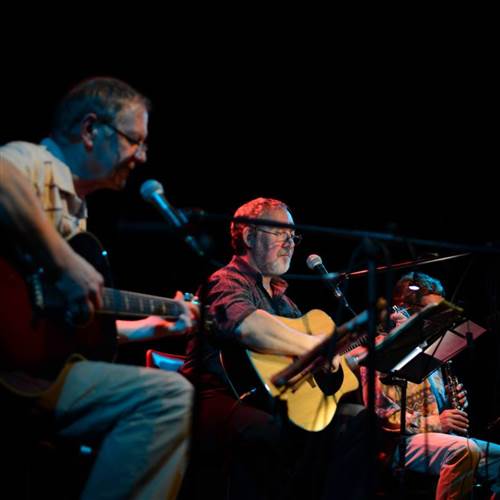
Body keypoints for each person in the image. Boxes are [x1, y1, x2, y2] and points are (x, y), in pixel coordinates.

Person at [0, 77, 196, 499]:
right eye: (134, 140)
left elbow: (52, 324)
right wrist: (63, 259)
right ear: (90, 130)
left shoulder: (77, 208)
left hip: (33, 373)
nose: (142, 156)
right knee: (166, 397)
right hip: (15, 370)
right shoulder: (34, 162)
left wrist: (146, 329)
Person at [180, 197, 371, 500]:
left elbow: (308, 364)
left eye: (293, 236)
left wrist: (351, 359)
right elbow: (247, 326)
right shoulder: (225, 280)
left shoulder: (285, 301)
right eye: (281, 233)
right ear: (249, 236)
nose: (290, 243)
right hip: (218, 395)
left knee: (359, 419)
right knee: (271, 432)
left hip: (270, 401)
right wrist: (320, 348)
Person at [360, 272, 500, 499]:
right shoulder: (380, 350)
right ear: (404, 308)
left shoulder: (432, 350)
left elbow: (437, 408)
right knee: (464, 450)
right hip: (396, 444)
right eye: (431, 313)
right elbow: (382, 413)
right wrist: (438, 422)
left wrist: (452, 403)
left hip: (436, 439)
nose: (438, 322)